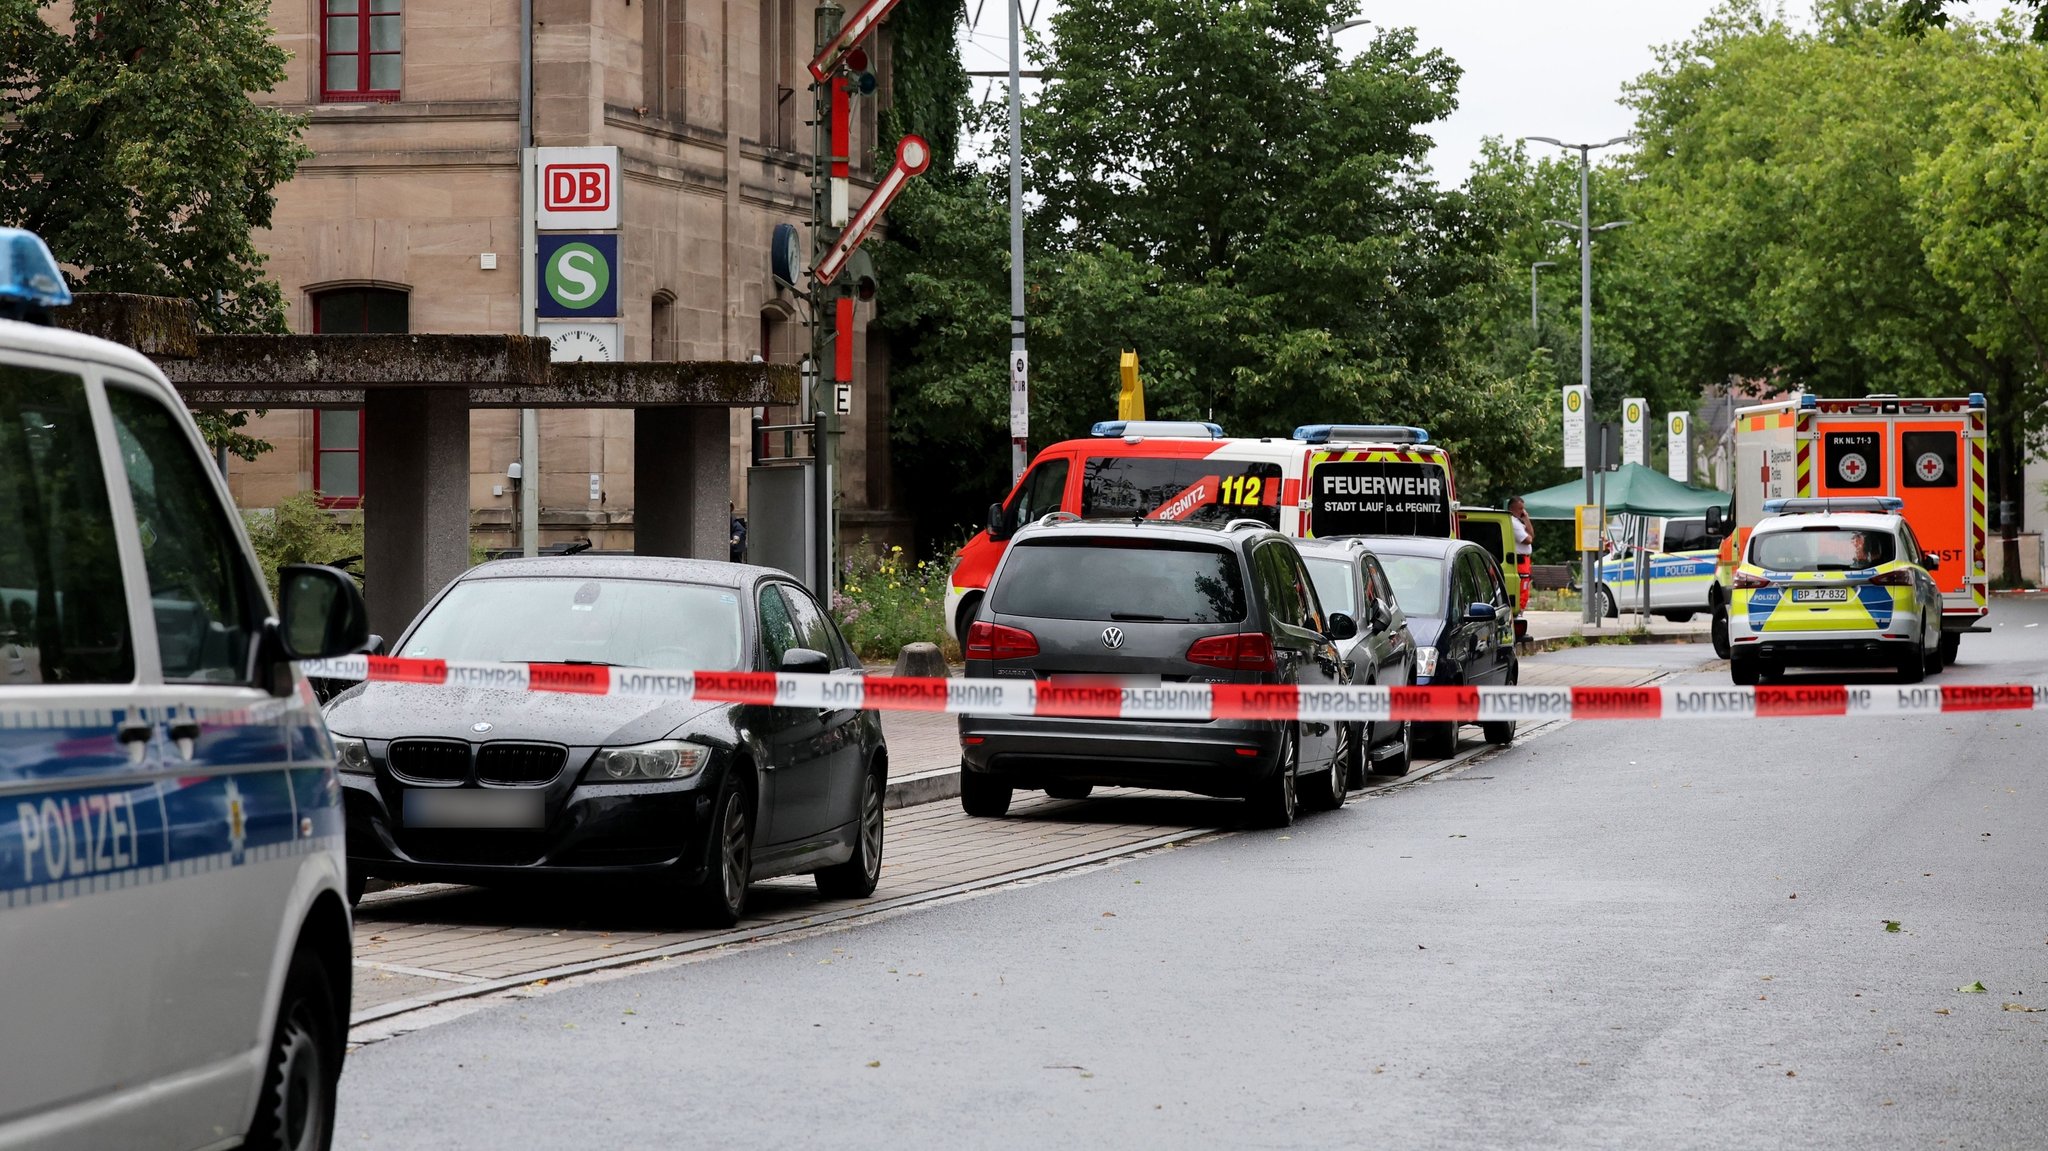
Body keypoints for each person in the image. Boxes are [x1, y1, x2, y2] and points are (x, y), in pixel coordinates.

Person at [1509, 496, 1534, 611]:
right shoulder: (1512, 523)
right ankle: (1518, 610)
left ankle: (1520, 609)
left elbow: (1531, 535)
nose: (1523, 511)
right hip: (1520, 560)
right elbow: (1528, 540)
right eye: (1520, 509)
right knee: (1522, 587)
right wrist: (1529, 536)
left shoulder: (1519, 522)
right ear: (1512, 508)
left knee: (1525, 586)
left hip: (1525, 560)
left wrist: (1526, 519)